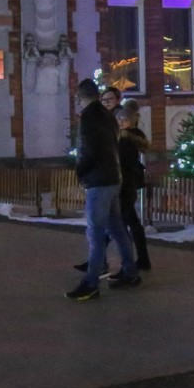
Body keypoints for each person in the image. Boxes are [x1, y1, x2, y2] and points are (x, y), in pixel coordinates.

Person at [67, 78, 140, 300]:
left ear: (80, 98)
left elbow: (87, 149)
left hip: (98, 181)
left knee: (96, 232)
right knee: (117, 228)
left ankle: (91, 283)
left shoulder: (88, 117)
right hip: (113, 178)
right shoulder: (108, 115)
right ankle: (130, 271)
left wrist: (80, 171)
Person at [115, 104, 152, 271]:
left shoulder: (127, 140)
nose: (121, 122)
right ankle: (141, 258)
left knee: (123, 223)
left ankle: (130, 261)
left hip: (125, 186)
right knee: (130, 222)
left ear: (131, 122)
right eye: (119, 119)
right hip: (126, 185)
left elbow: (123, 162)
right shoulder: (124, 138)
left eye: (124, 120)